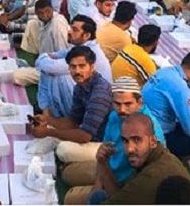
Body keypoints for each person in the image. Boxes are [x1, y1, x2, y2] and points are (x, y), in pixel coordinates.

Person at [63, 77, 166, 205]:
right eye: (117, 104)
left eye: (128, 104)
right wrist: (98, 185)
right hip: (111, 169)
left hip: (126, 183)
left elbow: (142, 180)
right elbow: (104, 154)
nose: (122, 110)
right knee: (67, 174)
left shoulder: (150, 129)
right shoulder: (114, 116)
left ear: (139, 102)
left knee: (70, 199)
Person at [31, 46, 113, 176]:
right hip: (88, 134)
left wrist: (48, 131)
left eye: (82, 66)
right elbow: (72, 122)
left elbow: (85, 136)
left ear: (92, 67)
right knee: (52, 131)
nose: (77, 71)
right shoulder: (80, 87)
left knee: (64, 150)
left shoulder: (99, 93)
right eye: (73, 67)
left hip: (104, 143)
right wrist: (47, 119)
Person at [90, 114, 190, 204]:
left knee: (97, 198)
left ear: (153, 141)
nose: (130, 149)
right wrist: (103, 163)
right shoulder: (159, 156)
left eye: (137, 140)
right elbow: (119, 194)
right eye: (125, 141)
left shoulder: (151, 176)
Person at [142, 52, 190, 159]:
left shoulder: (165, 72)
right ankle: (173, 155)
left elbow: (174, 106)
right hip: (159, 136)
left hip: (145, 124)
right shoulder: (181, 88)